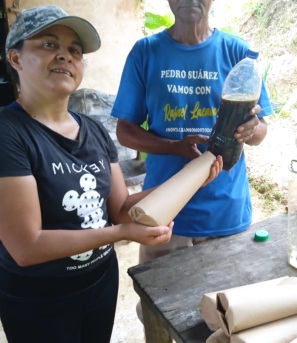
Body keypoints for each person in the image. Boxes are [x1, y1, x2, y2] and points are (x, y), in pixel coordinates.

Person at [0, 5, 221, 343]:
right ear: (15, 59)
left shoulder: (93, 131)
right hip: (40, 299)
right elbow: (27, 246)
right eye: (49, 44)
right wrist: (120, 233)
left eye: (74, 50)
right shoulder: (9, 132)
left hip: (99, 283)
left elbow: (120, 207)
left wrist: (192, 179)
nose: (65, 56)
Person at [112, 0, 273, 265]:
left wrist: (251, 128)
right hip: (163, 212)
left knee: (224, 303)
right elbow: (125, 132)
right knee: (159, 302)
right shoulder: (145, 52)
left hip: (224, 211)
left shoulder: (238, 54)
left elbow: (260, 131)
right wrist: (173, 146)